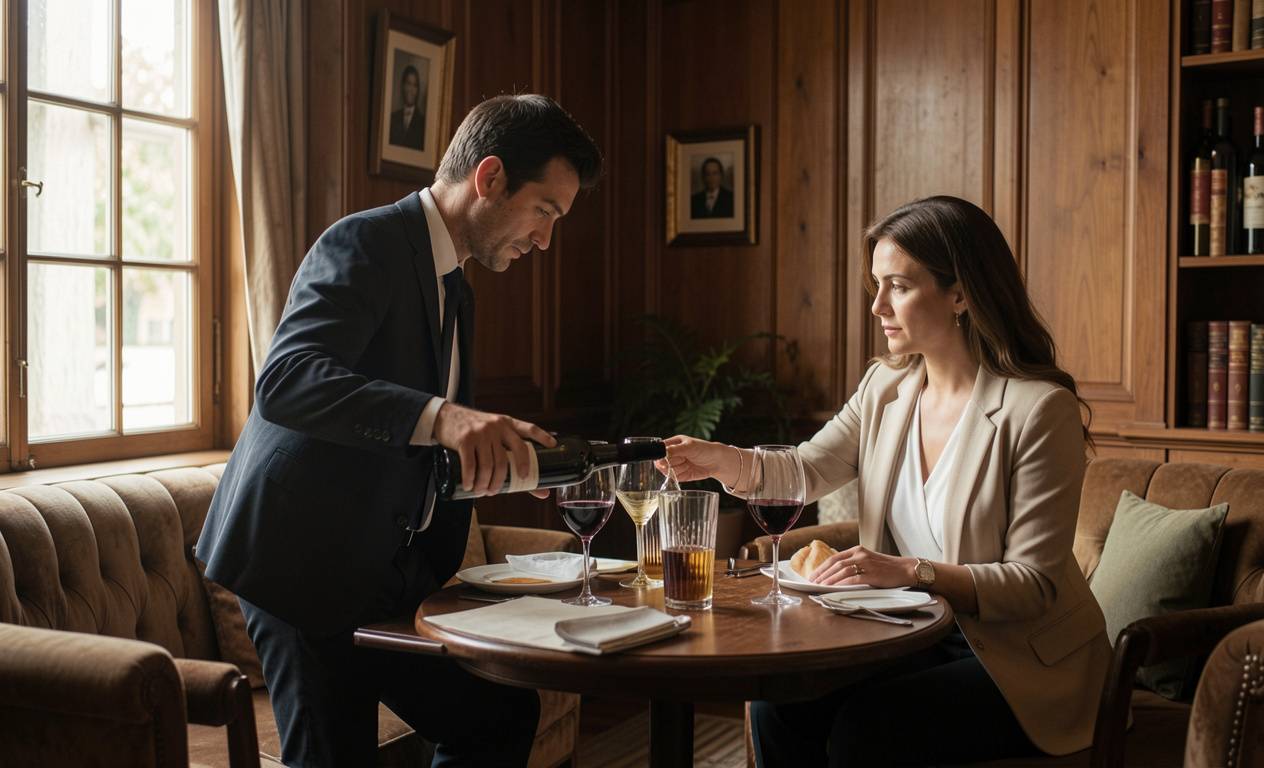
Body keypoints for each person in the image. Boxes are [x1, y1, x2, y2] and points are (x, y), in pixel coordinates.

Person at [196, 94, 602, 767]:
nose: (544, 240)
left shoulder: (456, 286)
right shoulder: (367, 242)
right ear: (491, 178)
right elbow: (287, 380)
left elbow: (413, 441)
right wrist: (447, 416)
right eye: (544, 212)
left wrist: (501, 457)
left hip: (381, 571)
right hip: (298, 566)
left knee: (498, 713)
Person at [662, 196, 1111, 766]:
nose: (876, 306)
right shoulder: (886, 387)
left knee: (868, 729)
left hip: (1020, 662)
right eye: (876, 285)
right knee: (776, 708)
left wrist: (910, 572)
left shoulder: (1039, 409)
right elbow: (804, 468)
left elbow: (1032, 584)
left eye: (897, 286)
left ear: (960, 293)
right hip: (913, 635)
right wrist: (717, 458)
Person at [389, 63, 427, 148]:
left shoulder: (423, 123)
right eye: (408, 84)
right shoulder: (393, 118)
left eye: (415, 85)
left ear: (418, 90)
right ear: (403, 86)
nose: (411, 90)